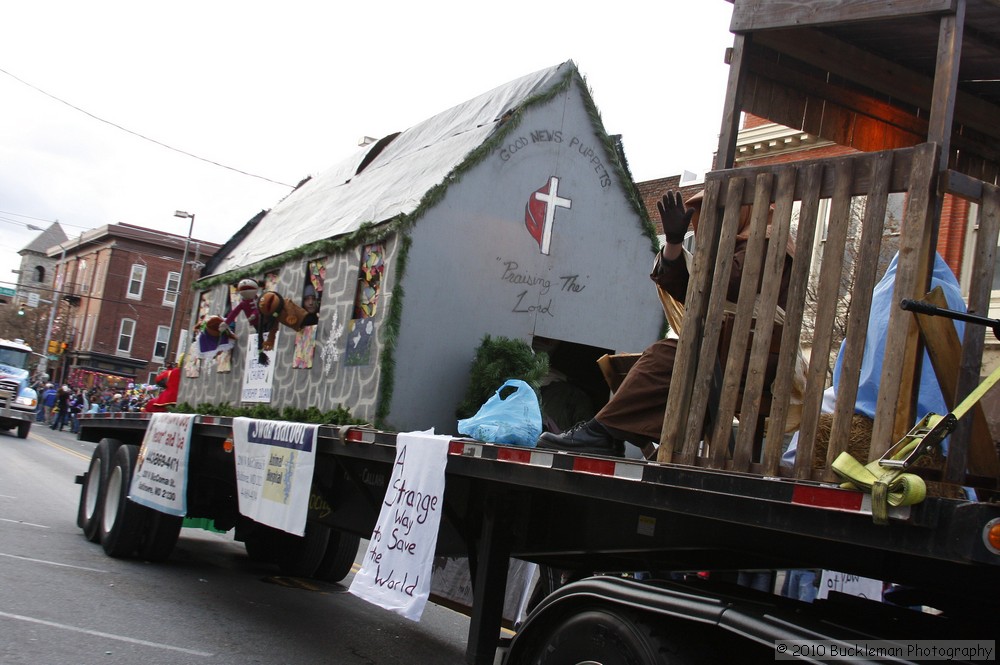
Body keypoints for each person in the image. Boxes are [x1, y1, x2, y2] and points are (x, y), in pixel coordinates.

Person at [537, 190, 794, 456]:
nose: (713, 224)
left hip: (753, 355)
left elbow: (730, 284)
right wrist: (673, 243)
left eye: (720, 214)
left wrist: (698, 257)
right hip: (723, 351)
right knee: (647, 362)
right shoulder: (736, 248)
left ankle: (601, 433)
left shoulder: (768, 241)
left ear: (745, 210)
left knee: (665, 355)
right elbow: (686, 287)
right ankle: (608, 434)